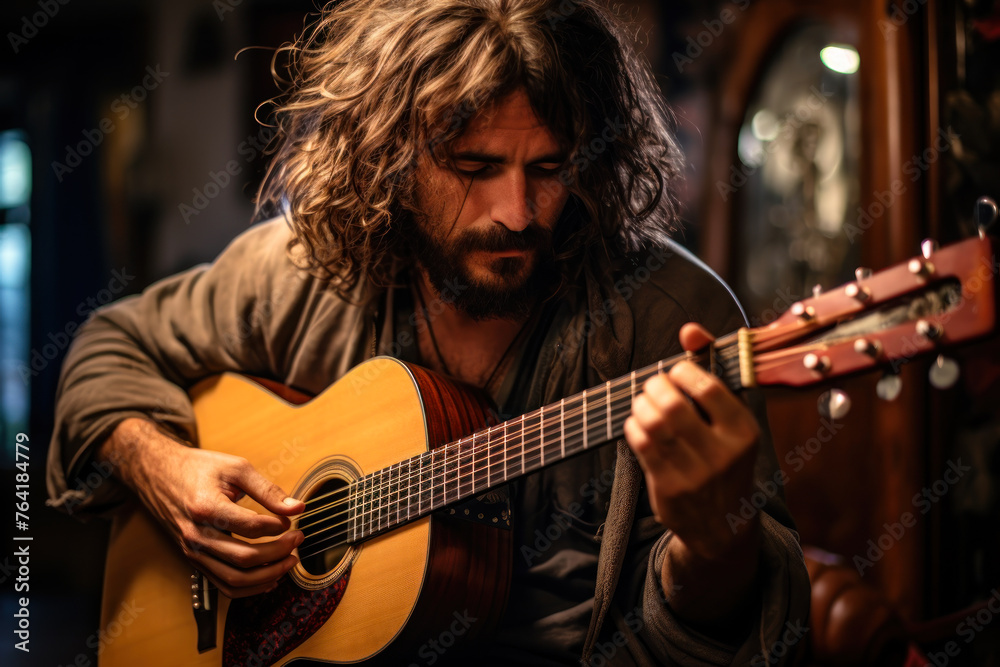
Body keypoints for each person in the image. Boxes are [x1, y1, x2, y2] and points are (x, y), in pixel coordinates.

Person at [47, 0, 810, 664]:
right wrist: (160, 466)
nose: (517, 211)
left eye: (548, 167)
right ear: (390, 157)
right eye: (475, 166)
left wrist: (716, 546)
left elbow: (751, 633)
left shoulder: (672, 317)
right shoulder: (303, 269)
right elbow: (109, 342)